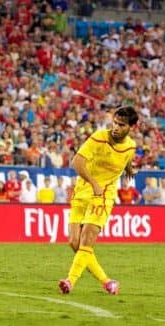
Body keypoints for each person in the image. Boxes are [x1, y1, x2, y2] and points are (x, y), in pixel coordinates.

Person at [59, 106, 139, 296]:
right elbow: (77, 162)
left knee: (86, 240)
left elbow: (126, 158)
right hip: (83, 190)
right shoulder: (99, 137)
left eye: (121, 125)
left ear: (131, 127)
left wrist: (128, 169)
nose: (116, 128)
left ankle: (70, 281)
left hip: (103, 195)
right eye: (115, 123)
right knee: (74, 242)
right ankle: (107, 282)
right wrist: (93, 183)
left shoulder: (131, 147)